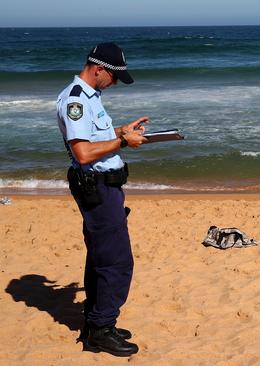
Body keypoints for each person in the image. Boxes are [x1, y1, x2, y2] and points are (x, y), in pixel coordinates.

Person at [56, 42, 148, 357]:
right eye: (115, 77)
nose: (116, 83)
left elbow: (94, 139)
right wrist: (122, 140)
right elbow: (82, 152)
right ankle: (100, 330)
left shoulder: (91, 97)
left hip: (104, 185)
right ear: (99, 69)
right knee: (117, 261)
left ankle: (97, 322)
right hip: (96, 186)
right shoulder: (76, 100)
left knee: (100, 256)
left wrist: (121, 130)